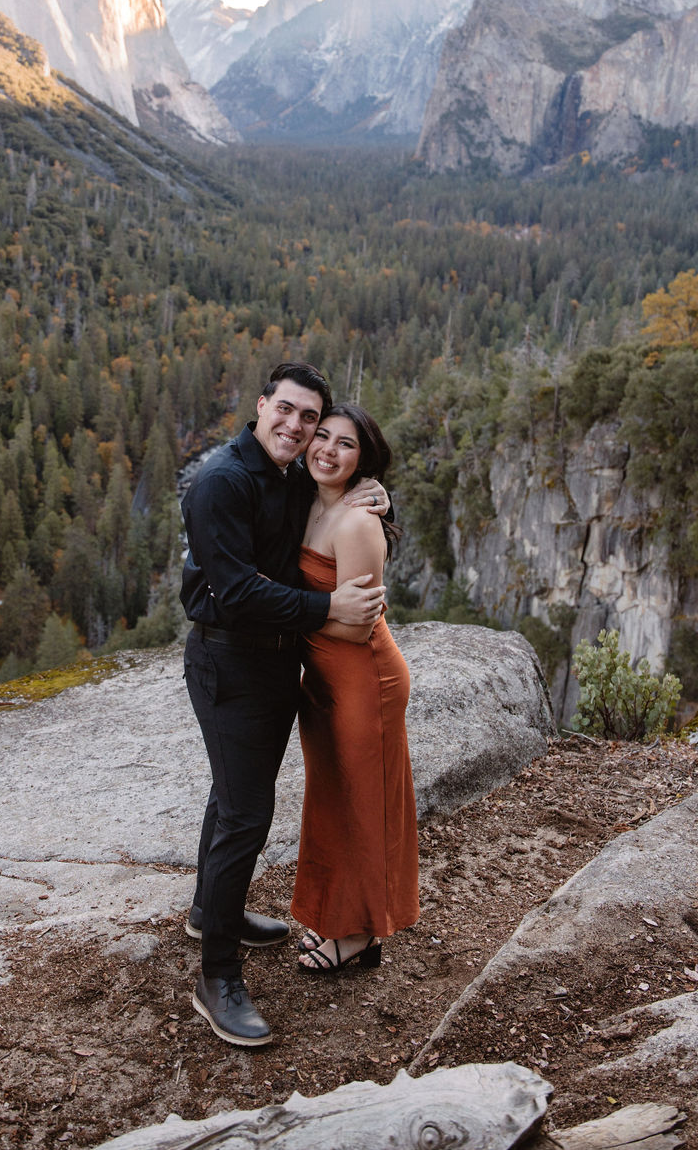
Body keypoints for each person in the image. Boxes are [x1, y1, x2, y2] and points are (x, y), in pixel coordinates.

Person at [179, 362, 389, 1047]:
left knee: (235, 791)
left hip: (276, 659)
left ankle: (213, 910)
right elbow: (235, 593)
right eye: (289, 411)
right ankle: (217, 978)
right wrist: (329, 607)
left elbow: (330, 501)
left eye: (311, 419)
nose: (298, 428)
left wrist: (367, 494)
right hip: (230, 659)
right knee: (247, 812)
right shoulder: (221, 482)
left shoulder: (289, 473)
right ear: (261, 405)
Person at [290, 403, 419, 973]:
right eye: (322, 437)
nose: (328, 450)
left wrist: (287, 616)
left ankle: (362, 932)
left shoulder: (358, 522)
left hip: (363, 676)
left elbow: (357, 624)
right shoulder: (305, 501)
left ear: (362, 460)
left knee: (362, 801)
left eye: (346, 444)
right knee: (330, 798)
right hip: (320, 676)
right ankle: (333, 914)